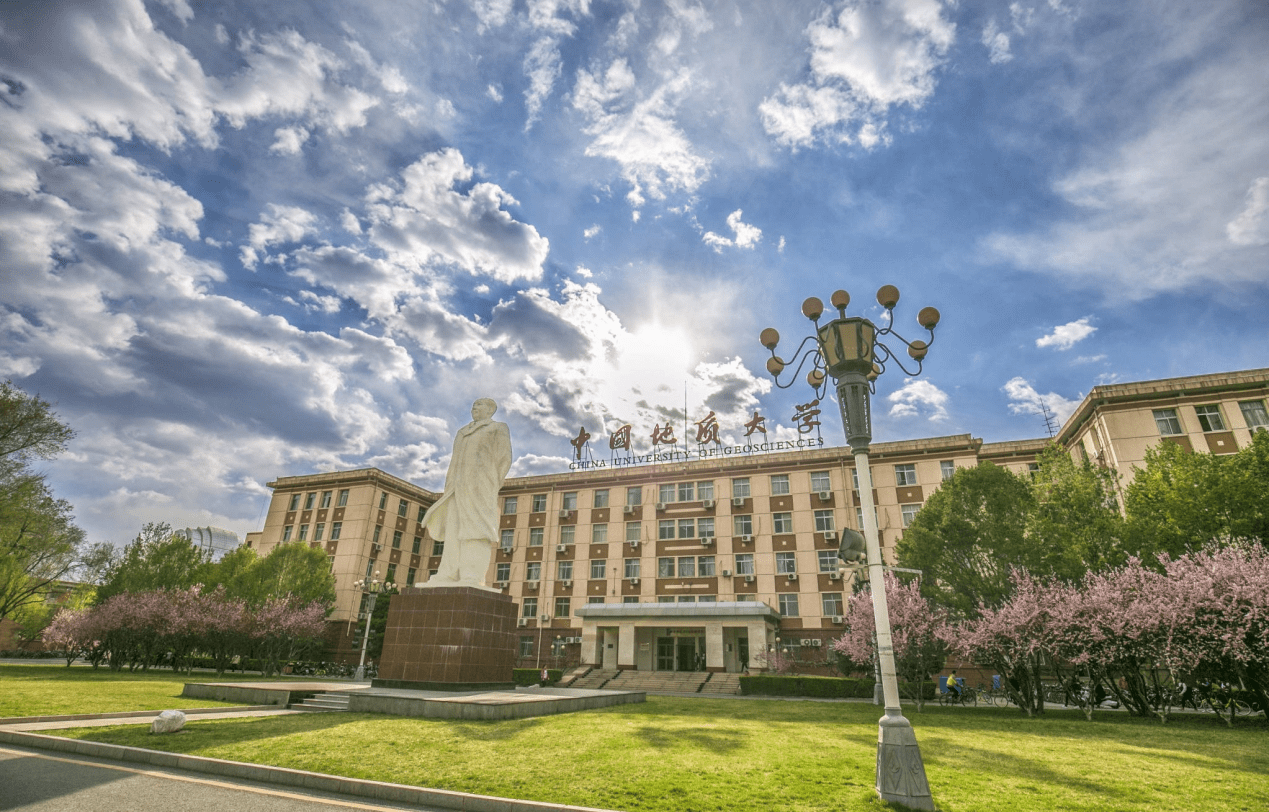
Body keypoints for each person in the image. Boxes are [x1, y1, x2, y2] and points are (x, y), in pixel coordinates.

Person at [420, 398, 513, 588]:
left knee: (476, 530)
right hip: (456, 488)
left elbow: (504, 459)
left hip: (480, 487)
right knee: (454, 531)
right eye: (473, 406)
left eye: (479, 405)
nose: (474, 408)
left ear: (490, 410)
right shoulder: (462, 432)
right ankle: (448, 573)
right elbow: (454, 461)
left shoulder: (497, 428)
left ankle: (472, 574)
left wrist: (489, 482)